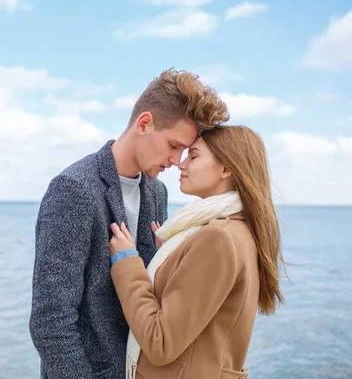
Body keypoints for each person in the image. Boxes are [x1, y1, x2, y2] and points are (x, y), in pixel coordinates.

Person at [29, 68, 229, 379]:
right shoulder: (74, 189)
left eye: (185, 151)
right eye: (174, 146)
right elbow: (51, 322)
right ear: (144, 123)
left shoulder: (156, 192)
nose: (178, 161)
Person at [108, 125, 285, 379]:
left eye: (194, 156)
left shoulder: (218, 238)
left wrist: (127, 263)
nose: (181, 164)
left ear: (226, 169)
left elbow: (161, 343)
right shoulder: (235, 229)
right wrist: (173, 256)